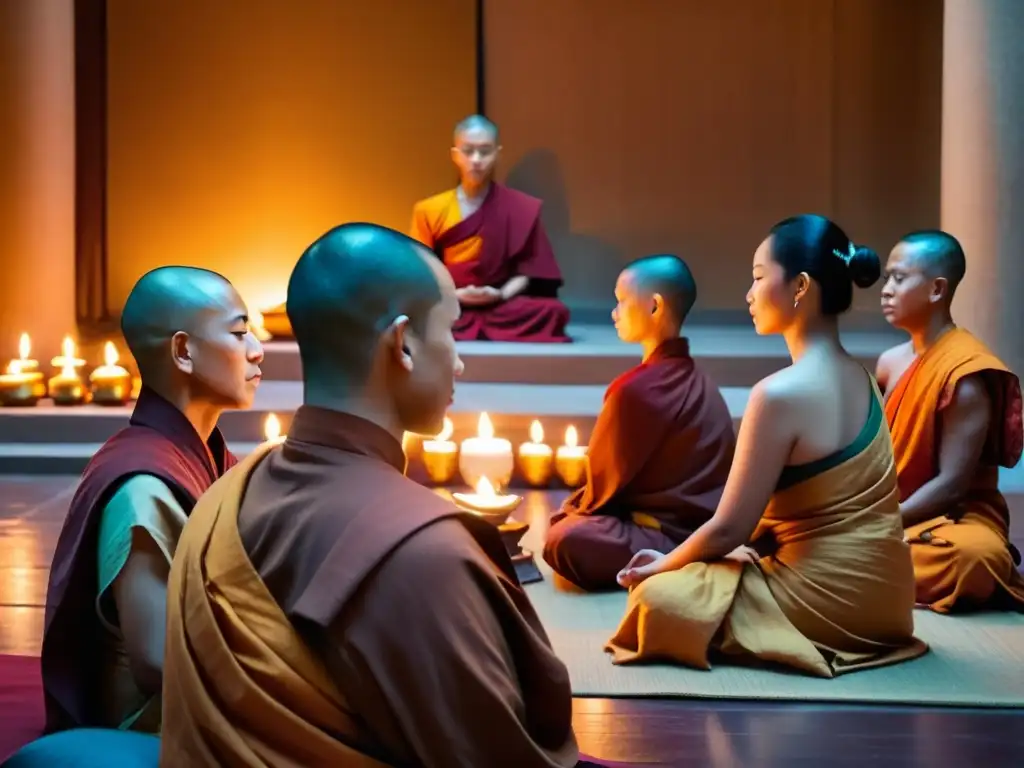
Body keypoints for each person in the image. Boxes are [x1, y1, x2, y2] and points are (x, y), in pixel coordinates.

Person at [161, 223, 602, 767]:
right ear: (404, 344)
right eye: (452, 331)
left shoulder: (222, 498)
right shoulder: (428, 554)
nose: (459, 360)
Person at [607, 214, 928, 677]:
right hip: (892, 602)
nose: (749, 293)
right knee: (703, 573)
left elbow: (728, 530)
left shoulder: (777, 394)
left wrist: (660, 568)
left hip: (828, 602)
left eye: (758, 277)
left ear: (800, 286)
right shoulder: (865, 379)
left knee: (656, 601)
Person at [40, 267, 264, 733]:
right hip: (157, 727)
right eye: (240, 332)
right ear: (183, 351)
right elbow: (160, 664)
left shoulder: (208, 457)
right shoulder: (143, 486)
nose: (257, 350)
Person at [543, 254, 735, 590]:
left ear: (654, 306)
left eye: (621, 301)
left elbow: (601, 493)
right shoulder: (702, 383)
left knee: (564, 538)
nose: (614, 312)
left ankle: (666, 563)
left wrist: (574, 511)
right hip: (702, 536)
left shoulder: (634, 391)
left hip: (664, 537)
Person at [876, 230, 1024, 612]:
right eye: (886, 278)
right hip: (892, 511)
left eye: (899, 278)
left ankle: (855, 563)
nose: (886, 289)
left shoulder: (965, 376)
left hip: (950, 521)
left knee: (975, 560)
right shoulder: (890, 362)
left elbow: (952, 486)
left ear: (937, 289)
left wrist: (878, 522)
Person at [408, 114, 571, 342]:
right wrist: (454, 295)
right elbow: (421, 270)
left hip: (500, 302)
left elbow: (529, 269)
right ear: (455, 155)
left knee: (554, 312)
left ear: (497, 154)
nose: (476, 160)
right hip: (449, 301)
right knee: (412, 310)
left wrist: (500, 294)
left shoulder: (520, 207)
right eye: (468, 151)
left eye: (485, 152)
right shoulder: (429, 209)